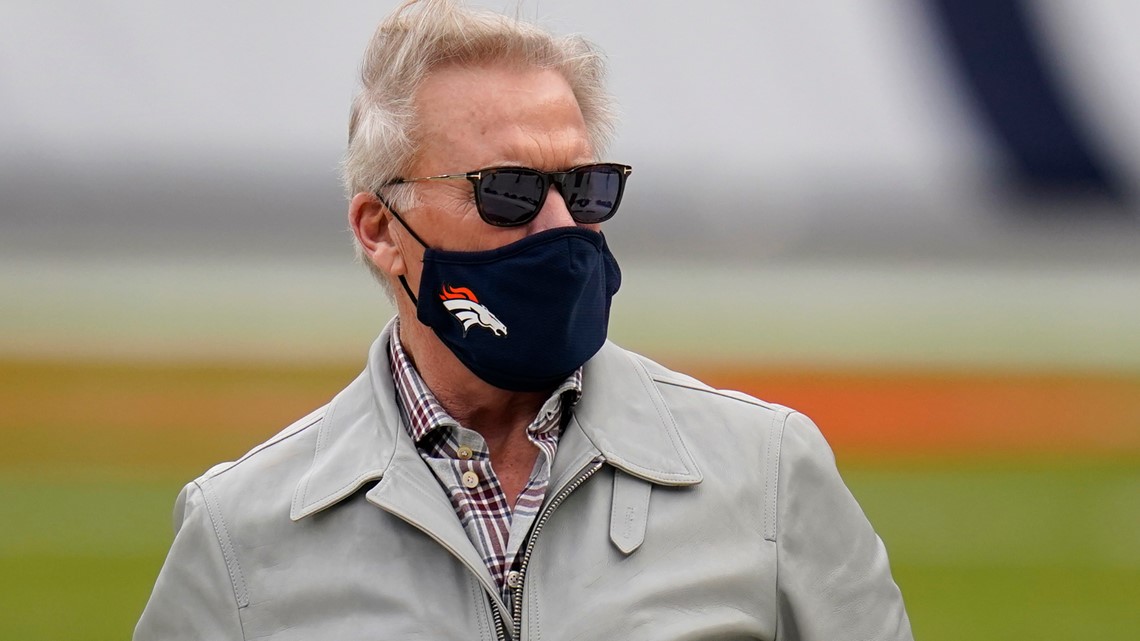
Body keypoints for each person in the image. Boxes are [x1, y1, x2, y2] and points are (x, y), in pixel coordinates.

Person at [134, 1, 913, 639]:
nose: (558, 226)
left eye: (585, 187)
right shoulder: (240, 532)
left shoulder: (768, 471)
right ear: (379, 230)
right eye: (506, 189)